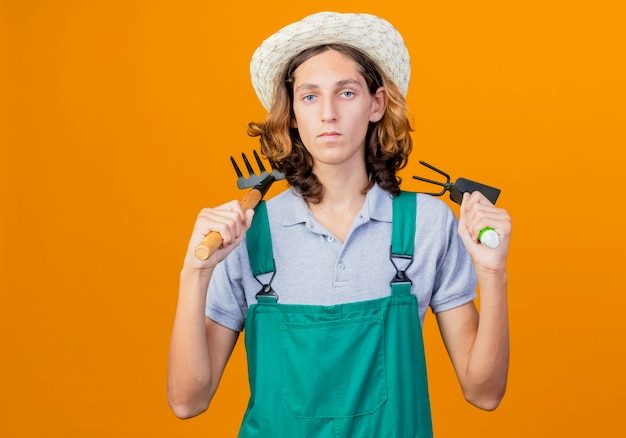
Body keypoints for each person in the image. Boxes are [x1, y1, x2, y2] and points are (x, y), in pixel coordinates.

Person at [167, 11, 511, 437]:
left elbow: (485, 393)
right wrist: (194, 273)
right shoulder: (250, 232)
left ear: (376, 104)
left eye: (346, 93)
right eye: (309, 97)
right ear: (292, 113)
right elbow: (187, 400)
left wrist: (492, 272)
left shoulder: (427, 223)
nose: (328, 113)